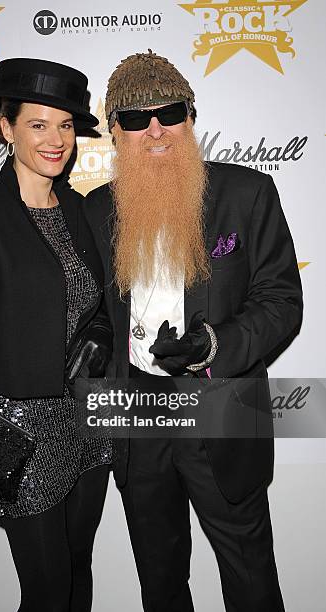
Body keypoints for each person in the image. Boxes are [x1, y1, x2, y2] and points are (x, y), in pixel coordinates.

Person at [83, 50, 303, 612]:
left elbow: (281, 301)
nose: (154, 129)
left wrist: (215, 343)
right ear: (115, 132)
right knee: (159, 583)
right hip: (137, 422)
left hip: (225, 409)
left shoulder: (248, 193)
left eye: (170, 112)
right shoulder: (95, 210)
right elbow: (95, 312)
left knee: (251, 579)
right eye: (135, 118)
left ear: (190, 118)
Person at [0, 58, 112, 612]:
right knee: (48, 590)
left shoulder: (83, 210)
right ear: (4, 127)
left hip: (87, 429)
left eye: (65, 125)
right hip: (19, 431)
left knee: (80, 573)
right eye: (38, 124)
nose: (56, 140)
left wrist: (100, 329)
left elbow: (97, 299)